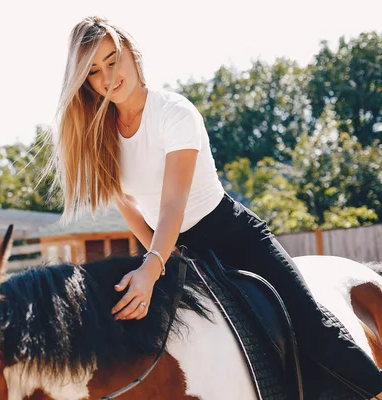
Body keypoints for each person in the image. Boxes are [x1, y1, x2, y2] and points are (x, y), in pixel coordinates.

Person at [46, 15, 382, 399]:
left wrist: (152, 265)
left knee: (312, 327)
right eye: (93, 72)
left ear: (131, 56)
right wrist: (166, 257)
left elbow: (174, 203)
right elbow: (129, 207)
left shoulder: (175, 113)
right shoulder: (101, 136)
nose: (107, 77)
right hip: (175, 250)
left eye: (111, 60)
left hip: (231, 235)